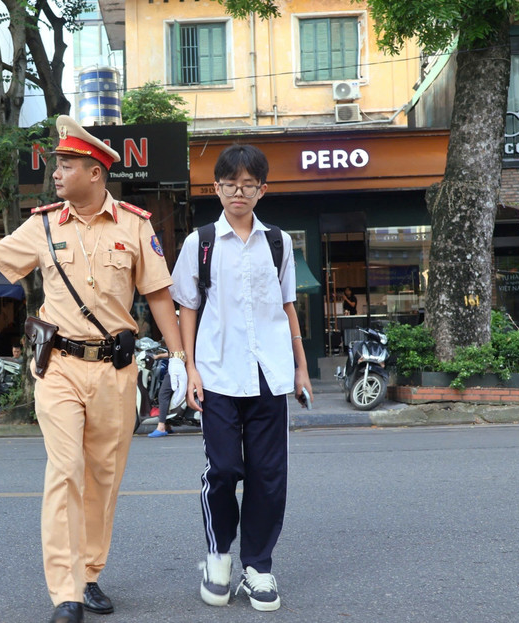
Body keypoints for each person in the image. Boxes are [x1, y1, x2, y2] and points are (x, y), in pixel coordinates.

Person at [0, 115, 187, 623]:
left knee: (104, 477)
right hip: (58, 366)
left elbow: (157, 294)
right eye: (58, 163)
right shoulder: (42, 225)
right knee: (64, 472)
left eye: (67, 164)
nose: (57, 172)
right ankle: (65, 591)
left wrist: (177, 361)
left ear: (96, 171)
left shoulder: (135, 224)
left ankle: (89, 575)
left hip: (114, 370)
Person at [170, 143, 313, 612]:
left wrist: (301, 367)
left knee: (269, 476)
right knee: (226, 468)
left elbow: (288, 306)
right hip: (217, 374)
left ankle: (259, 566)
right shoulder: (201, 242)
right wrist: (190, 368)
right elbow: (187, 307)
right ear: (217, 187)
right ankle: (218, 554)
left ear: (262, 190)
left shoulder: (279, 242)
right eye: (230, 183)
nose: (239, 192)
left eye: (249, 185)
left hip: (269, 374)